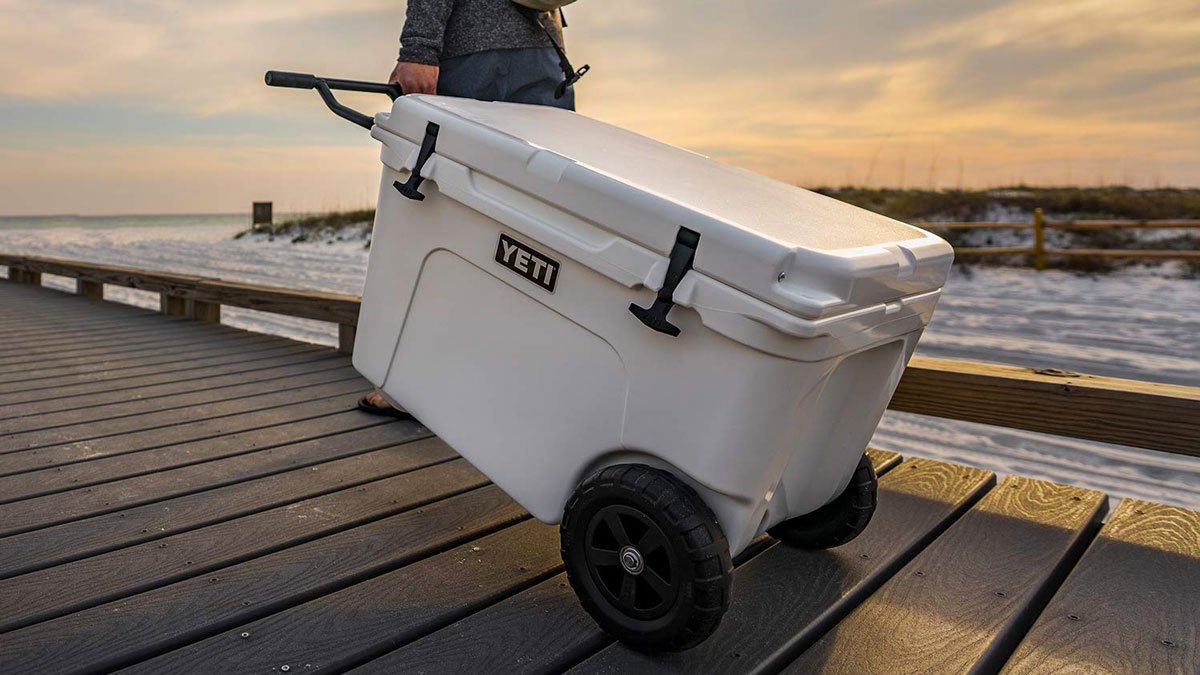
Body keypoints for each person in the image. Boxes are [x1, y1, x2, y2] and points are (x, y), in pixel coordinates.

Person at [358, 0, 580, 418]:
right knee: (530, 229)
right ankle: (508, 381)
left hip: (477, 54)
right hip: (543, 53)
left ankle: (412, 382)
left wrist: (419, 49)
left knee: (444, 217)